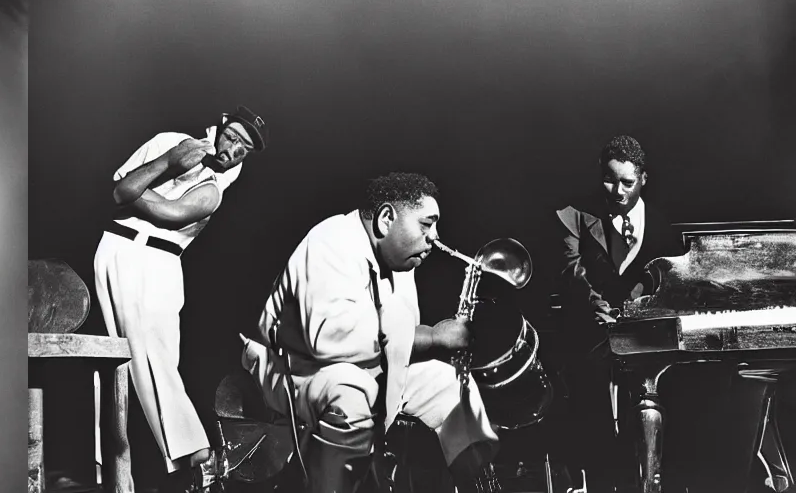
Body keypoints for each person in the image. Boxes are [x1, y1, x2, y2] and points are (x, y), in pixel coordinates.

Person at [242, 172, 497, 493]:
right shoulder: (331, 242)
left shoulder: (397, 262)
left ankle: (479, 485)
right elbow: (335, 339)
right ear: (387, 218)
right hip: (291, 370)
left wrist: (439, 345)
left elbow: (394, 335)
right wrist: (433, 337)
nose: (435, 237)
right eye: (426, 224)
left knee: (450, 382)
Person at [93, 108, 265, 490]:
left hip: (157, 262)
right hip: (112, 250)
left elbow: (160, 210)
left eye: (245, 148)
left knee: (154, 361)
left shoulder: (215, 190)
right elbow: (121, 190)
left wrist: (131, 190)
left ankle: (196, 456)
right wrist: (168, 161)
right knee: (108, 366)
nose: (234, 149)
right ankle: (114, 478)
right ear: (218, 129)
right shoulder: (168, 142)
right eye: (233, 137)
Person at [554, 136, 677, 490]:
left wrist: (634, 311)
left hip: (645, 339)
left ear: (643, 179)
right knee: (594, 427)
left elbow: (662, 279)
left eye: (627, 182)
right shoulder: (573, 215)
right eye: (610, 180)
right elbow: (571, 270)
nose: (618, 190)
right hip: (589, 337)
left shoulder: (661, 226)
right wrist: (596, 306)